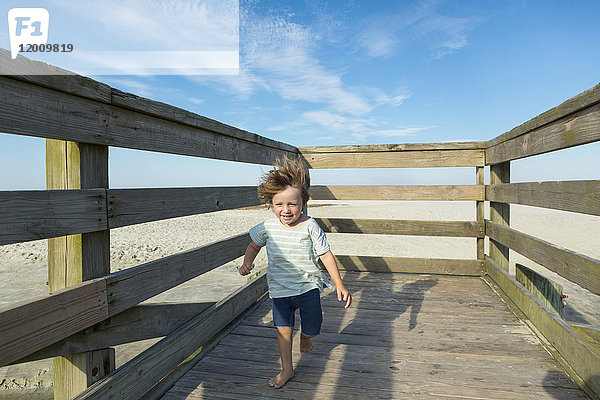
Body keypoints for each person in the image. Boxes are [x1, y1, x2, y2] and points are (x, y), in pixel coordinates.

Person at [238, 155, 352, 389]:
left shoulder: (310, 226)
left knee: (313, 324)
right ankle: (287, 369)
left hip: (307, 288)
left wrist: (338, 284)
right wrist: (247, 263)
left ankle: (307, 336)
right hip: (279, 291)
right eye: (279, 204)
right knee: (283, 331)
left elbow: (326, 255)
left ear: (303, 202)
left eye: (292, 204)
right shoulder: (268, 226)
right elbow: (253, 245)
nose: (286, 210)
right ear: (272, 204)